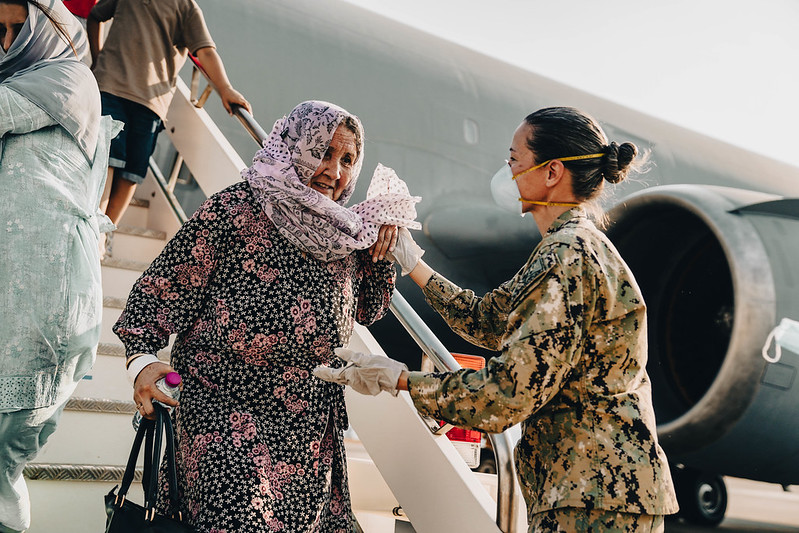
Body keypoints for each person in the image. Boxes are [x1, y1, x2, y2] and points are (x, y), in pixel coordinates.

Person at [315, 107, 680, 532]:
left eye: (514, 159)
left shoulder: (565, 258)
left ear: (551, 173)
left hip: (593, 496)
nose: (507, 171)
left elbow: (505, 394)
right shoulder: (570, 248)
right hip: (600, 492)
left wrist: (399, 380)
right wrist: (413, 262)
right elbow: (489, 320)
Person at [113, 100, 422, 531]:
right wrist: (142, 363)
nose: (334, 171)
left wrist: (381, 248)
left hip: (307, 425)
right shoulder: (237, 209)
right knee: (234, 518)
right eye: (322, 152)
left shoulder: (347, 232)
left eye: (347, 159)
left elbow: (369, 310)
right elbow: (160, 291)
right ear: (295, 147)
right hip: (222, 407)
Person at [0, 1, 119, 531]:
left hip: (46, 288)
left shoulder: (68, 79)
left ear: (46, 29)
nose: (5, 42)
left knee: (5, 451)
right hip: (14, 281)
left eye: (14, 28)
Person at [86, 0, 251, 231]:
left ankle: (104, 232)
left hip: (151, 101)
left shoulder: (186, 8)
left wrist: (225, 88)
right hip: (111, 86)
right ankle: (93, 231)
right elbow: (95, 16)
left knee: (132, 172)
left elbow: (205, 51)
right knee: (107, 160)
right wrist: (97, 57)